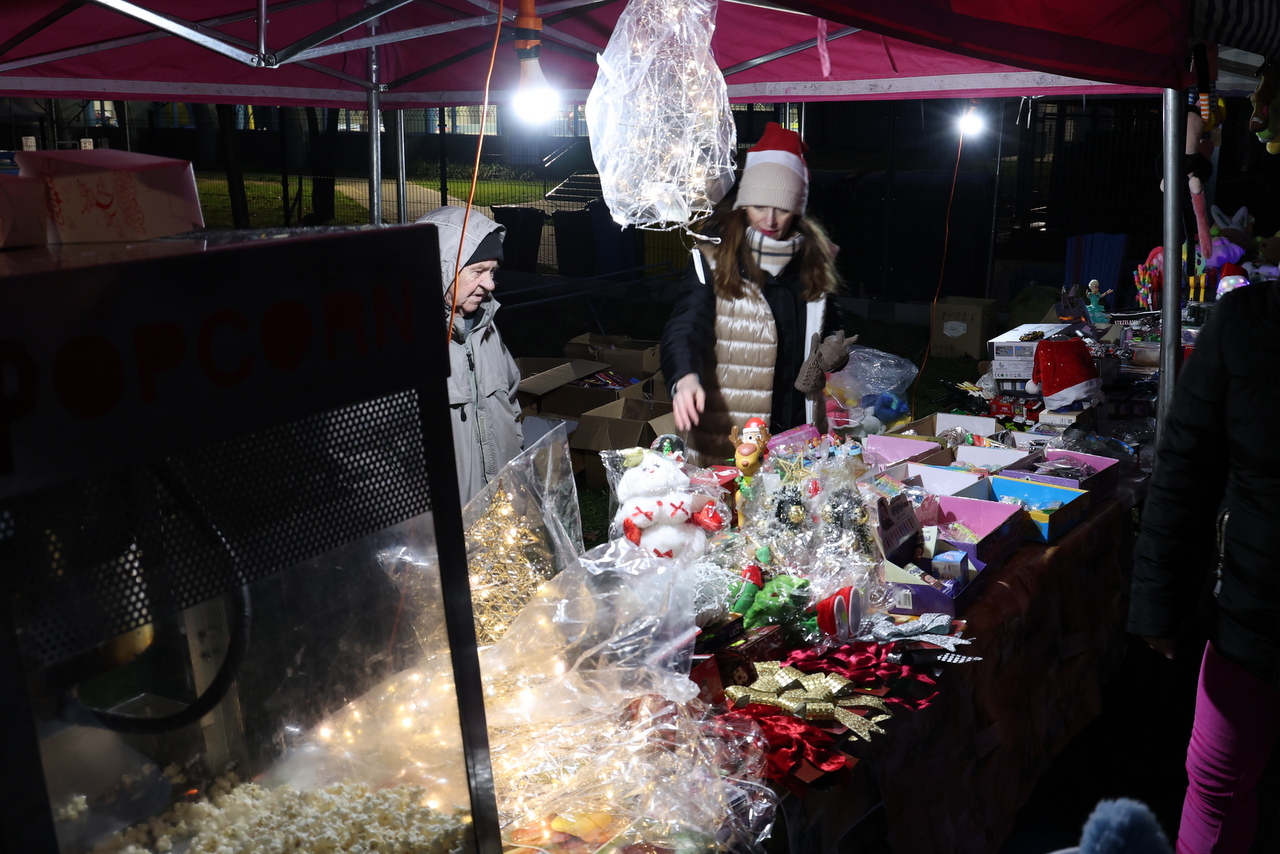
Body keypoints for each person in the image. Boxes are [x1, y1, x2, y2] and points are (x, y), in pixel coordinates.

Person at [1128, 281, 1280, 854]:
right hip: (1253, 618)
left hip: (1250, 611)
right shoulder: (1249, 322)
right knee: (1217, 783)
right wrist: (1159, 604)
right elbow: (1184, 475)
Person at [661, 122, 848, 466]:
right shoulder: (713, 259)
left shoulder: (815, 263)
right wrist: (684, 376)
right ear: (744, 202)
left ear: (798, 209)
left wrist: (834, 352)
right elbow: (685, 326)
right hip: (732, 433)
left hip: (798, 429)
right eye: (760, 206)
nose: (771, 220)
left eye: (783, 208)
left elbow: (830, 328)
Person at [417, 205, 524, 505]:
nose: (489, 284)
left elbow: (512, 405)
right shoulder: (404, 343)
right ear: (440, 268)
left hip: (501, 510)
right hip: (441, 522)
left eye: (492, 272)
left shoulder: (486, 327)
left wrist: (515, 468)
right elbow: (360, 448)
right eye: (478, 271)